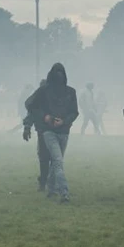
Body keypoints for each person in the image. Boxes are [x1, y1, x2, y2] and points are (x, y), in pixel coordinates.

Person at [26, 63, 78, 203]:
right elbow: (30, 105)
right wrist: (45, 117)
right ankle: (64, 192)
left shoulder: (70, 92)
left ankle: (51, 188)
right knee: (57, 160)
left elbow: (74, 112)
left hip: (64, 131)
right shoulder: (44, 91)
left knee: (56, 162)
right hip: (48, 131)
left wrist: (64, 121)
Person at [23, 79, 51, 192]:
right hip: (43, 131)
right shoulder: (38, 101)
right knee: (45, 158)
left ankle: (47, 182)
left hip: (50, 131)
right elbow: (31, 114)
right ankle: (45, 182)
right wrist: (27, 127)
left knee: (48, 158)